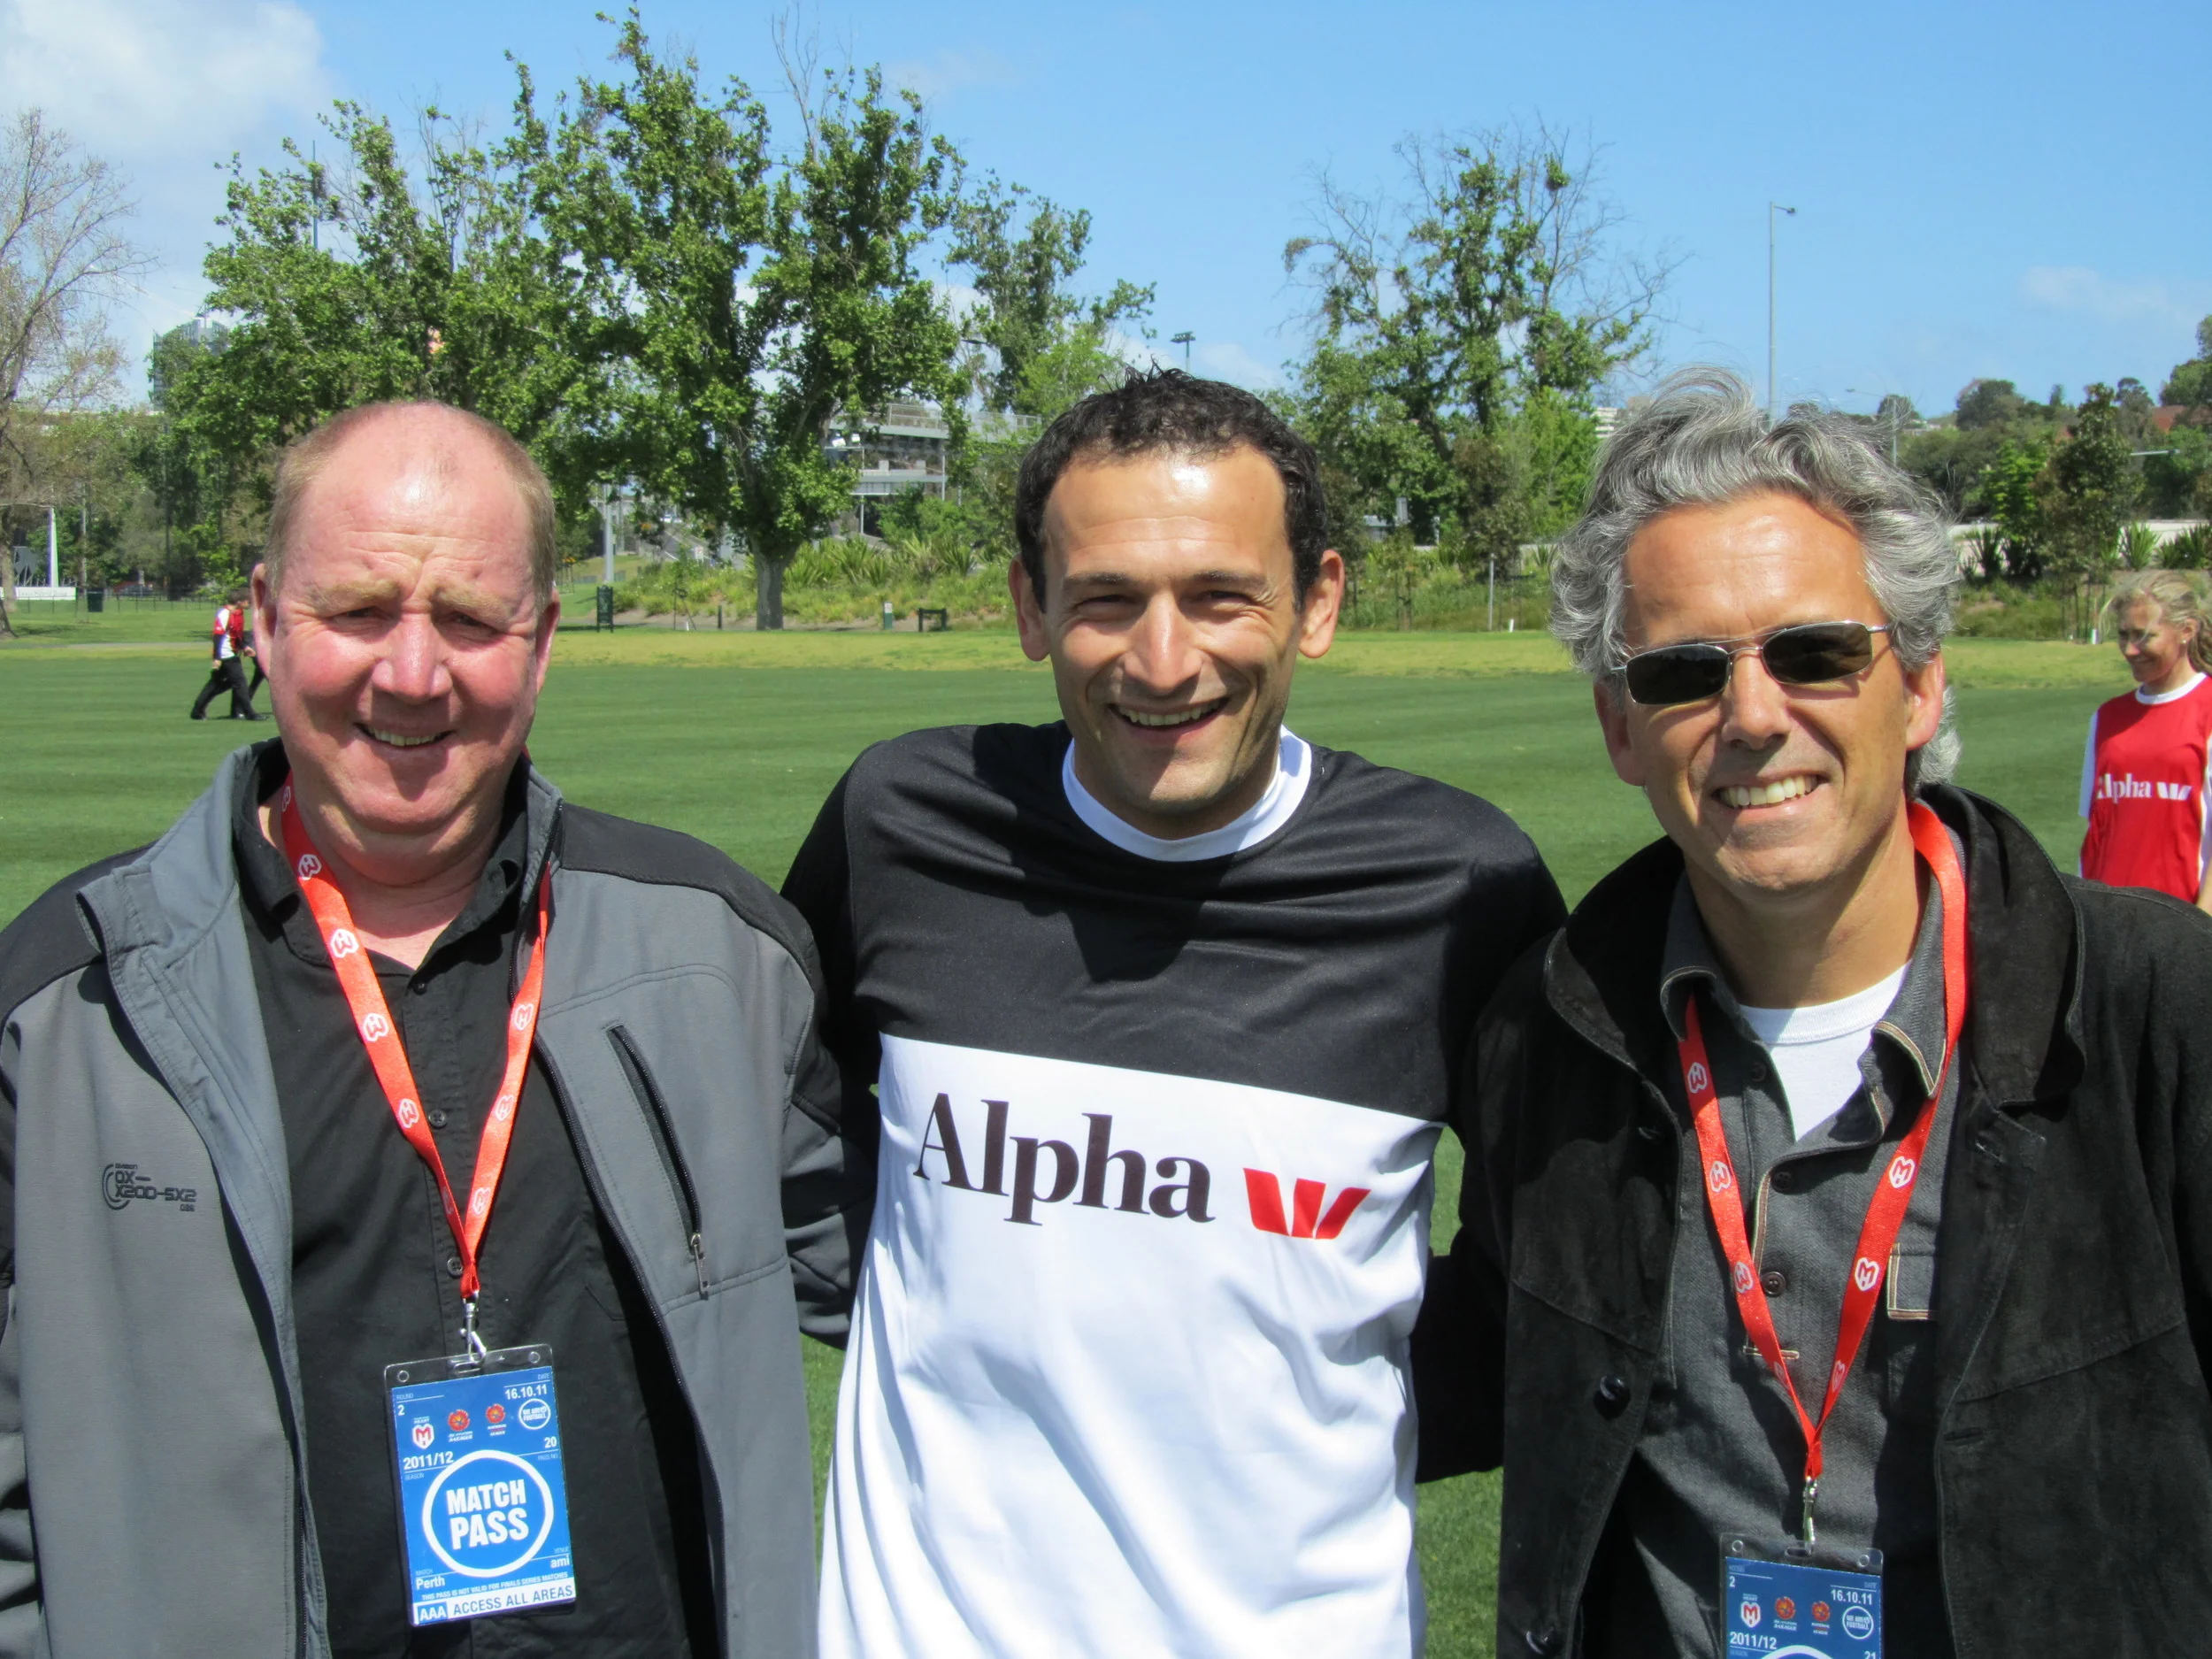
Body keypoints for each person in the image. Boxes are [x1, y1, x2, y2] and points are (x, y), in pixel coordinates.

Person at [0, 401, 856, 1658]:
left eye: (469, 617)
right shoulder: (67, 1004)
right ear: (269, 615)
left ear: (544, 639)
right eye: (358, 610)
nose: (412, 671)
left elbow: (939, 1302)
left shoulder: (718, 956)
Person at [1415, 370, 2212, 1656]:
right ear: (1621, 726)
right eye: (1684, 671)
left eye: (1817, 652)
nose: (1752, 715)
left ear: (1922, 687)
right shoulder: (1551, 1031)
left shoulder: (2156, 1010)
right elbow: (1468, 1361)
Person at [783, 370, 1564, 1657]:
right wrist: (922, 1272)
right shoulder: (903, 824)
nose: (1164, 659)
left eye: (1219, 595)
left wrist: (1342, 1394)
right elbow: (776, 1112)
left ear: (1316, 601)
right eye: (1105, 599)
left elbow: (1558, 1256)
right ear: (1031, 608)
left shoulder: (1457, 886)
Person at [2078, 567, 2212, 907]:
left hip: (2181, 926)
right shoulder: (2107, 718)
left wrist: (2200, 932)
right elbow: (2095, 833)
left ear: (2186, 631)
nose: (2130, 650)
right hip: (2110, 921)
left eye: (2144, 636)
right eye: (2124, 635)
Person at [189, 585, 264, 720]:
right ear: (240, 601)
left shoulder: (239, 613)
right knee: (240, 682)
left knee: (217, 684)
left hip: (233, 653)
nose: (250, 604)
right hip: (225, 655)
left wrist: (244, 647)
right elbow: (218, 637)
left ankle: (198, 710)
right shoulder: (225, 614)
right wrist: (217, 658)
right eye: (248, 601)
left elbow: (236, 634)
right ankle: (250, 714)